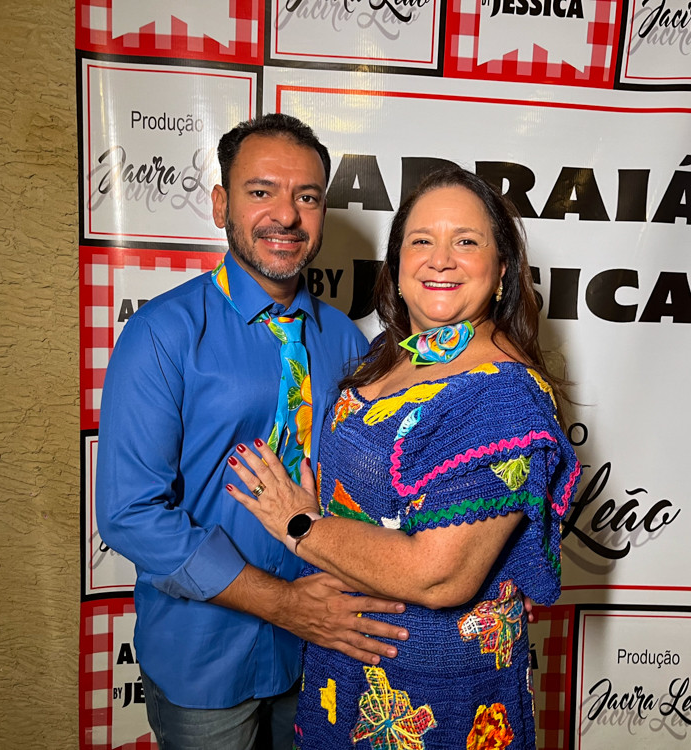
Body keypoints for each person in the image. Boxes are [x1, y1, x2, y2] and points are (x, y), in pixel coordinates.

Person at [226, 166, 582, 749]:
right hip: (341, 672)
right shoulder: (393, 353)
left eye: (466, 241)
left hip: (434, 700)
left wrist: (299, 525)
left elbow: (439, 575)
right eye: (421, 240)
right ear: (396, 266)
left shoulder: (503, 397)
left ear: (501, 269)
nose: (440, 260)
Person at [95, 113, 410, 750]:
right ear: (221, 204)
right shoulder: (162, 334)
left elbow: (373, 486)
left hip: (323, 652)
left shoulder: (346, 340)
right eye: (261, 191)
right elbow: (130, 514)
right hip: (204, 659)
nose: (286, 215)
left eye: (307, 197)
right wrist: (284, 604)